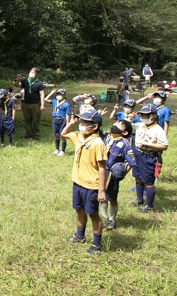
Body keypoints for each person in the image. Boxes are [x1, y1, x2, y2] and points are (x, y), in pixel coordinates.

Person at [61, 108, 108, 256]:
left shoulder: (98, 143)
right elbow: (62, 135)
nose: (81, 124)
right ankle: (79, 235)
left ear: (94, 126)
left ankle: (96, 244)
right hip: (78, 182)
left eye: (85, 122)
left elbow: (102, 168)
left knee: (92, 213)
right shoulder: (80, 136)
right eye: (81, 121)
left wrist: (101, 190)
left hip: (91, 185)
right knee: (79, 209)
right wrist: (71, 123)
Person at [130, 104, 168, 213]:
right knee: (138, 177)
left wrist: (148, 144)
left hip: (148, 155)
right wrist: (130, 119)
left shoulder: (158, 130)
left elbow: (164, 146)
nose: (143, 117)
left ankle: (149, 205)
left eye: (146, 115)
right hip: (138, 153)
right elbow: (127, 126)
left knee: (148, 181)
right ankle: (139, 199)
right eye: (142, 115)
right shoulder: (140, 125)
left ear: (153, 116)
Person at [99, 120, 136, 231]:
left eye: (118, 125)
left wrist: (122, 173)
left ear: (124, 132)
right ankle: (104, 216)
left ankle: (112, 219)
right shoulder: (106, 137)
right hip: (101, 172)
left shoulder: (125, 144)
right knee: (101, 196)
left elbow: (132, 162)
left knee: (112, 197)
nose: (114, 126)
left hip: (112, 174)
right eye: (114, 124)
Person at [19, 68, 45, 141]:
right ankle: (28, 134)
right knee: (27, 119)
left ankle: (36, 135)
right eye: (30, 71)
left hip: (36, 104)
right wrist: (18, 80)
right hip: (26, 103)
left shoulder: (39, 83)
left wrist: (42, 105)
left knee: (35, 120)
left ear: (36, 74)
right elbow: (17, 85)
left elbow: (42, 94)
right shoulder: (25, 81)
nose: (31, 73)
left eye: (33, 72)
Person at [45, 88, 71, 156]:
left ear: (64, 95)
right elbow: (45, 99)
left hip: (62, 120)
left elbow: (67, 114)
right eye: (58, 94)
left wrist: (68, 124)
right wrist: (51, 93)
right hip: (55, 120)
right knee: (56, 135)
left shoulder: (66, 104)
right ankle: (57, 149)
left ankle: (62, 151)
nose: (59, 96)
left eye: (61, 94)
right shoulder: (54, 101)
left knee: (62, 135)